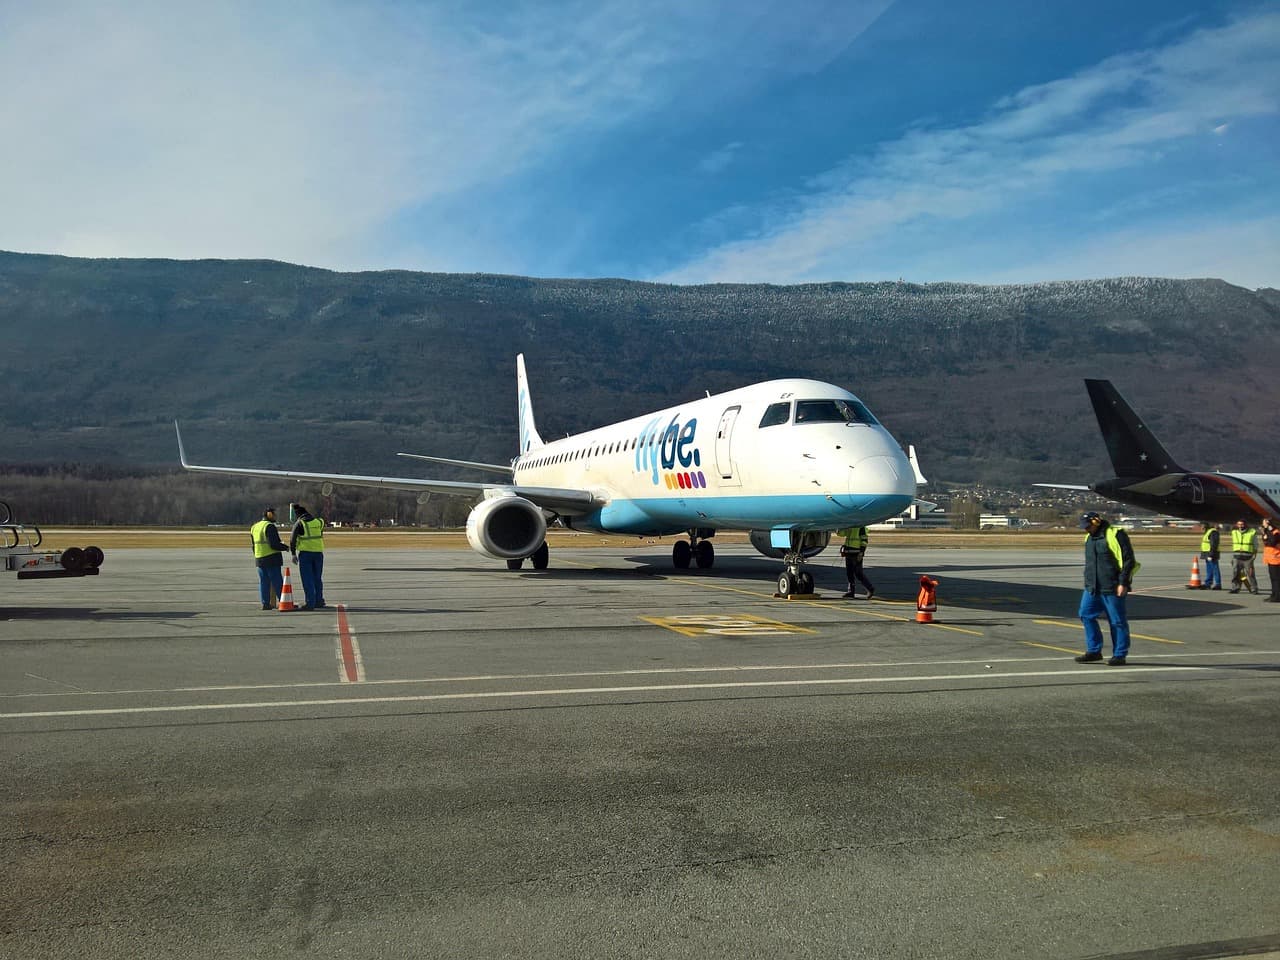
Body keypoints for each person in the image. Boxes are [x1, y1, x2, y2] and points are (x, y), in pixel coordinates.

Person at [1075, 511, 1138, 666]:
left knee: (1117, 621)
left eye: (1088, 526)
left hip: (1112, 586)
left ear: (1096, 522)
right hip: (1092, 586)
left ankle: (1120, 654)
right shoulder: (1089, 537)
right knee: (1085, 614)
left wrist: (1123, 583)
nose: (1086, 529)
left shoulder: (1115, 534)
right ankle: (1094, 651)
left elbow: (1128, 560)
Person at [250, 506, 290, 610]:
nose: (276, 516)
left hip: (259, 558)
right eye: (274, 514)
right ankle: (284, 602)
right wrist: (285, 547)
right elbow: (274, 544)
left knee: (264, 582)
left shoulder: (255, 527)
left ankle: (265, 603)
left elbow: (253, 545)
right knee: (277, 581)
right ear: (270, 515)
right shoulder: (269, 526)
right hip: (271, 558)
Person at [289, 502, 327, 611]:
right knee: (317, 578)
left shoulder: (300, 523)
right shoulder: (319, 522)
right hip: (318, 554)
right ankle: (319, 601)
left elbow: (292, 539)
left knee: (307, 579)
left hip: (306, 554)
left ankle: (310, 603)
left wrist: (293, 554)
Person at [835, 525, 875, 600]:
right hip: (848, 552)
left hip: (856, 553)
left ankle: (870, 588)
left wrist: (861, 552)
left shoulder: (861, 527)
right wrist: (838, 528)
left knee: (858, 573)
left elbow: (864, 540)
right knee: (849, 573)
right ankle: (851, 592)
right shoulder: (850, 526)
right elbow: (843, 534)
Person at [1229, 518, 1259, 594]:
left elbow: (1256, 544)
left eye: (1242, 524)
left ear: (1245, 524)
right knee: (1235, 573)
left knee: (1251, 574)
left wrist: (1254, 554)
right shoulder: (1234, 532)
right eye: (1239, 524)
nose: (1240, 526)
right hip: (1236, 556)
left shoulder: (1252, 532)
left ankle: (1254, 589)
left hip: (1248, 557)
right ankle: (1235, 588)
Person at [1260, 517, 1280, 602]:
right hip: (1270, 558)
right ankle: (1274, 594)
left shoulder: (1276, 532)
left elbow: (1272, 542)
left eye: (1264, 523)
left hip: (1276, 558)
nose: (1263, 524)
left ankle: (1277, 596)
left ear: (1269, 524)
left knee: (1276, 579)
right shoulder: (1268, 532)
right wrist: (1265, 534)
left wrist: (1266, 536)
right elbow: (1265, 542)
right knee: (1273, 578)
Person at [1198, 522, 1222, 590]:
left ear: (1205, 526)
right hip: (1207, 553)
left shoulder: (1213, 532)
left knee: (1215, 569)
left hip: (1211, 553)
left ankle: (1218, 584)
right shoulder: (1207, 532)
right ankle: (1208, 583)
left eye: (1202, 526)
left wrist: (1211, 555)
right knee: (1209, 569)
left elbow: (1214, 544)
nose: (1201, 527)